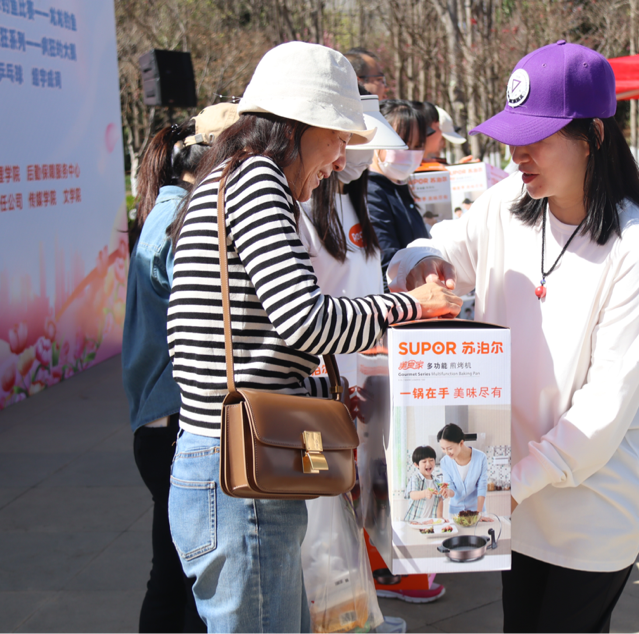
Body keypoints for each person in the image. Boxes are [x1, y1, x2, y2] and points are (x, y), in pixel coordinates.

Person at [165, 42, 461, 633]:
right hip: (241, 474)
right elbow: (305, 320)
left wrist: (322, 393)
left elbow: (265, 333)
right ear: (300, 125)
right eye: (338, 138)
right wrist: (414, 305)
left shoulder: (233, 177)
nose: (341, 157)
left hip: (232, 461)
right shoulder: (258, 180)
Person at [388, 41, 639, 633]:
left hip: (593, 502)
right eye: (512, 136)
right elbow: (439, 247)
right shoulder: (510, 203)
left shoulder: (637, 247)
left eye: (537, 137)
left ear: (593, 136)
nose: (517, 153)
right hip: (510, 493)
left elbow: (604, 408)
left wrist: (505, 487)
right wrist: (422, 262)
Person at [299, 92, 446, 610]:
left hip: (359, 381)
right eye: (349, 144)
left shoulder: (357, 198)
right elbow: (306, 315)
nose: (354, 157)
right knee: (318, 517)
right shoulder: (301, 207)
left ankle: (355, 608)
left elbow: (370, 281)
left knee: (357, 501)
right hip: (316, 392)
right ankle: (327, 611)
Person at [123, 105, 237, 634]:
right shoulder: (183, 222)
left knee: (173, 575)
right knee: (193, 583)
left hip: (161, 423)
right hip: (177, 425)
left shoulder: (169, 211)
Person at [367, 100, 431, 280]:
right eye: (402, 143)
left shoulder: (399, 189)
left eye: (417, 146)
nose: (410, 152)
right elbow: (387, 264)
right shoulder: (371, 193)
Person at [436, 423, 489, 519]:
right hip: (455, 513)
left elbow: (482, 487)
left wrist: (478, 514)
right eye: (443, 449)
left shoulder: (481, 458)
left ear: (461, 443)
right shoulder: (445, 462)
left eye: (450, 448)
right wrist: (447, 491)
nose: (447, 453)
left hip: (477, 510)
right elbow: (450, 487)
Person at [404, 446, 445, 521]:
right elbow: (412, 495)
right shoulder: (415, 478)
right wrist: (425, 493)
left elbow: (440, 500)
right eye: (424, 461)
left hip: (430, 521)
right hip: (414, 521)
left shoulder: (438, 482)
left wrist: (440, 517)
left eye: (431, 460)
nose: (428, 464)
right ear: (416, 465)